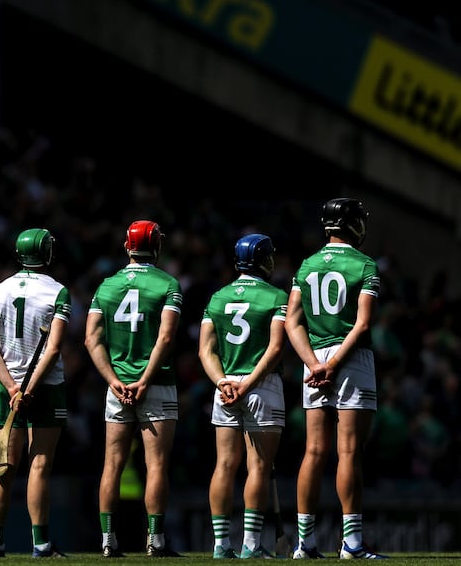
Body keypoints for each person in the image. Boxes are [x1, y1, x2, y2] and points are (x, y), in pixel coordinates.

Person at [285, 198, 387, 560]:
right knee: (349, 453)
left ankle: (305, 544)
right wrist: (335, 364)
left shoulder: (306, 265)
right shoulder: (365, 264)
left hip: (313, 361)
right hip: (350, 358)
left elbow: (292, 321)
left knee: (313, 452)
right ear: (354, 224)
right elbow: (363, 324)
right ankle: (352, 544)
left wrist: (314, 363)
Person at [84, 219, 183, 558]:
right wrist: (146, 379)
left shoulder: (106, 286)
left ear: (127, 246)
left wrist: (113, 380)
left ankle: (108, 541)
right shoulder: (168, 284)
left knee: (111, 464)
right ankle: (155, 540)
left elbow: (91, 339)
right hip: (156, 385)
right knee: (156, 465)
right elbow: (166, 337)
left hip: (117, 387)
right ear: (156, 246)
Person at [0, 228, 71, 558]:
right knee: (39, 464)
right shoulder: (58, 292)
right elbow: (55, 346)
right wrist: (29, 389)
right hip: (44, 388)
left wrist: (11, 386)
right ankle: (41, 543)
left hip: (6, 388)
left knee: (3, 468)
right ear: (46, 253)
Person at [198, 234, 288, 559]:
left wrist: (223, 382)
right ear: (264, 259)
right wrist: (248, 384)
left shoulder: (217, 297)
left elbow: (205, 349)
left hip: (225, 388)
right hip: (261, 385)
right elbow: (276, 348)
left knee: (224, 464)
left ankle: (221, 545)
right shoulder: (277, 296)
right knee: (259, 467)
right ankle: (251, 545)